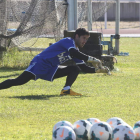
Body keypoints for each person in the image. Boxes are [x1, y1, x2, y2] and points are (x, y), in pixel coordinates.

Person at [0, 28, 110, 95]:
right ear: (77, 36)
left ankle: (66, 90)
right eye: (84, 38)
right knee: (19, 81)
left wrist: (98, 70)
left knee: (74, 69)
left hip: (51, 68)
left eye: (87, 39)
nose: (85, 41)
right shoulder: (68, 41)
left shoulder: (75, 50)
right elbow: (75, 53)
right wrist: (92, 59)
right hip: (40, 63)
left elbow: (84, 68)